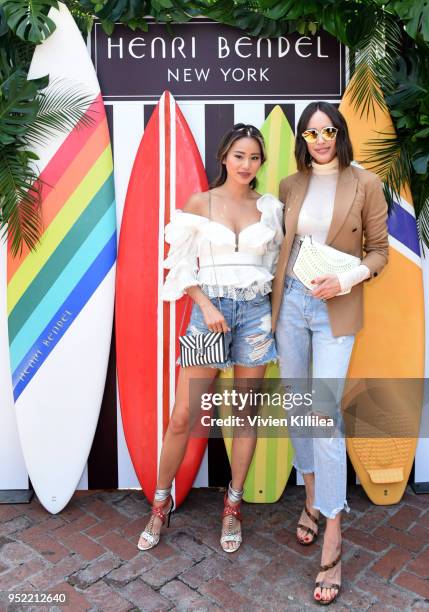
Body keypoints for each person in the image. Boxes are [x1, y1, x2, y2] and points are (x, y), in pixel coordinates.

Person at [138, 123, 283, 554]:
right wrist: (205, 304)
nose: (246, 164)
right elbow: (179, 266)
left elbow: (273, 267)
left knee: (244, 415)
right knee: (184, 414)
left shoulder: (270, 207)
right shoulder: (199, 203)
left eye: (254, 157)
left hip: (255, 316)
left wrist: (271, 318)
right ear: (224, 157)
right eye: (239, 155)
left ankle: (232, 506)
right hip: (209, 315)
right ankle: (160, 504)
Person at [271, 102, 389, 604]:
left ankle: (335, 534)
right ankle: (312, 497)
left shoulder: (365, 183)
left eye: (328, 130)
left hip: (335, 307)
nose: (320, 138)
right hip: (290, 304)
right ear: (303, 138)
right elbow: (283, 247)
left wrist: (343, 279)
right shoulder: (290, 185)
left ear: (339, 134)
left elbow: (379, 252)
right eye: (311, 131)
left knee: (324, 414)